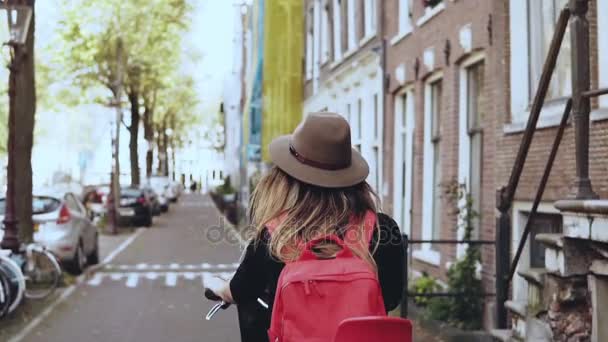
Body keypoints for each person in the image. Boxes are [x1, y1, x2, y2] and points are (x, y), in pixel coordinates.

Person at [210, 112, 405, 342]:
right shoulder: (383, 229)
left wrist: (220, 289)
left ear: (288, 179)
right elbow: (391, 298)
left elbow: (242, 289)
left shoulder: (275, 235)